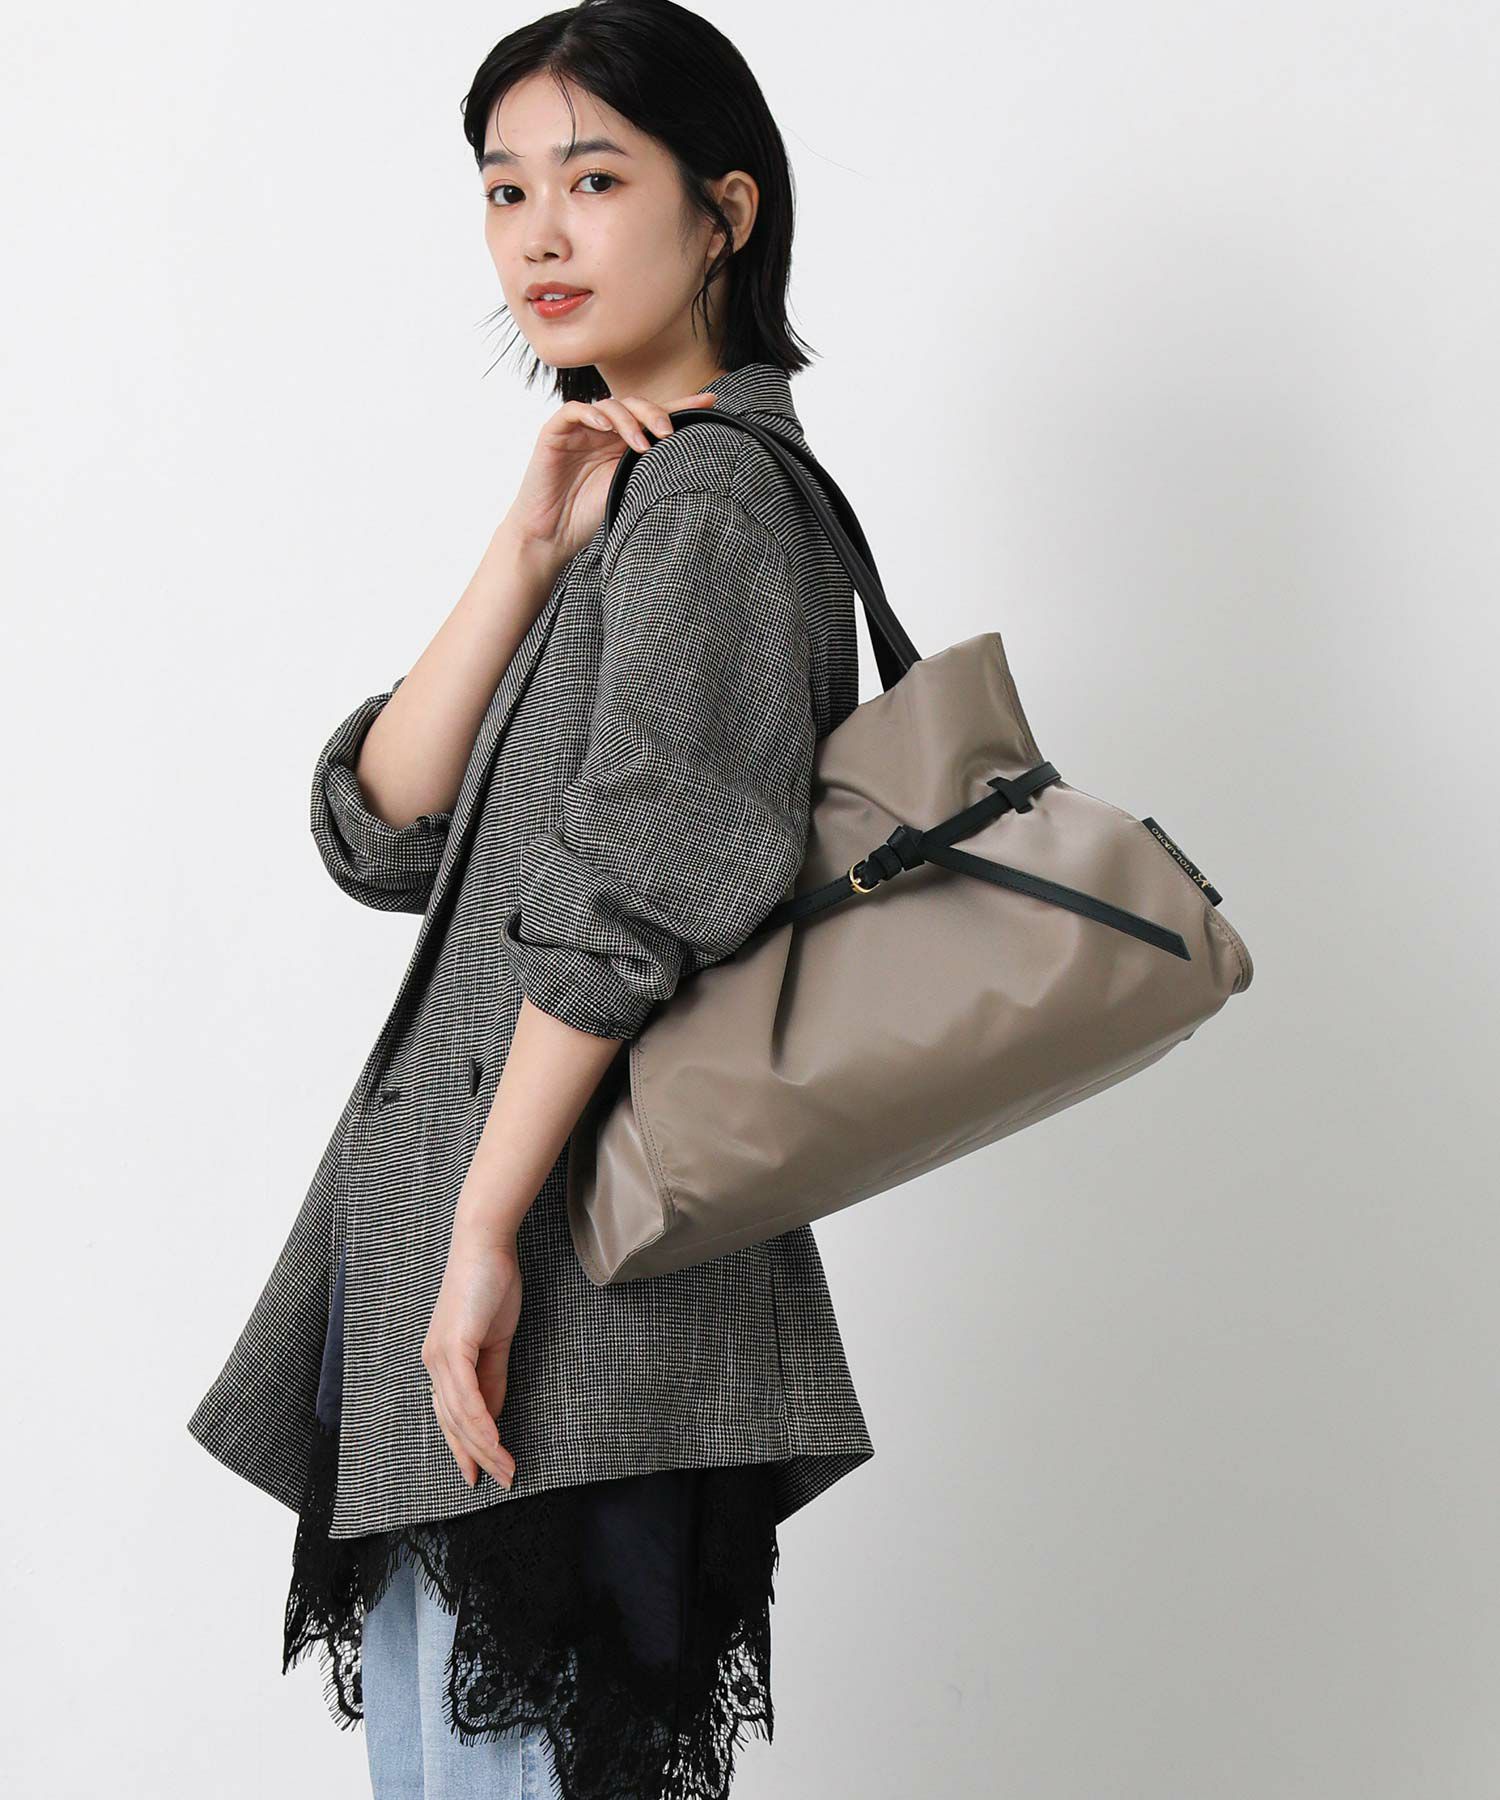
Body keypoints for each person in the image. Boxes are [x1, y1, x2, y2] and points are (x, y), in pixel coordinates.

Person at [187, 2, 875, 1795]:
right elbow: (380, 829)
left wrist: (484, 1235)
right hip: (482, 1299)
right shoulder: (625, 500)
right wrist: (522, 550)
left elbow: (639, 895)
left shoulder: (717, 504)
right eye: (504, 192)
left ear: (725, 212)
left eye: (593, 180)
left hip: (565, 1299)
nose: (538, 237)